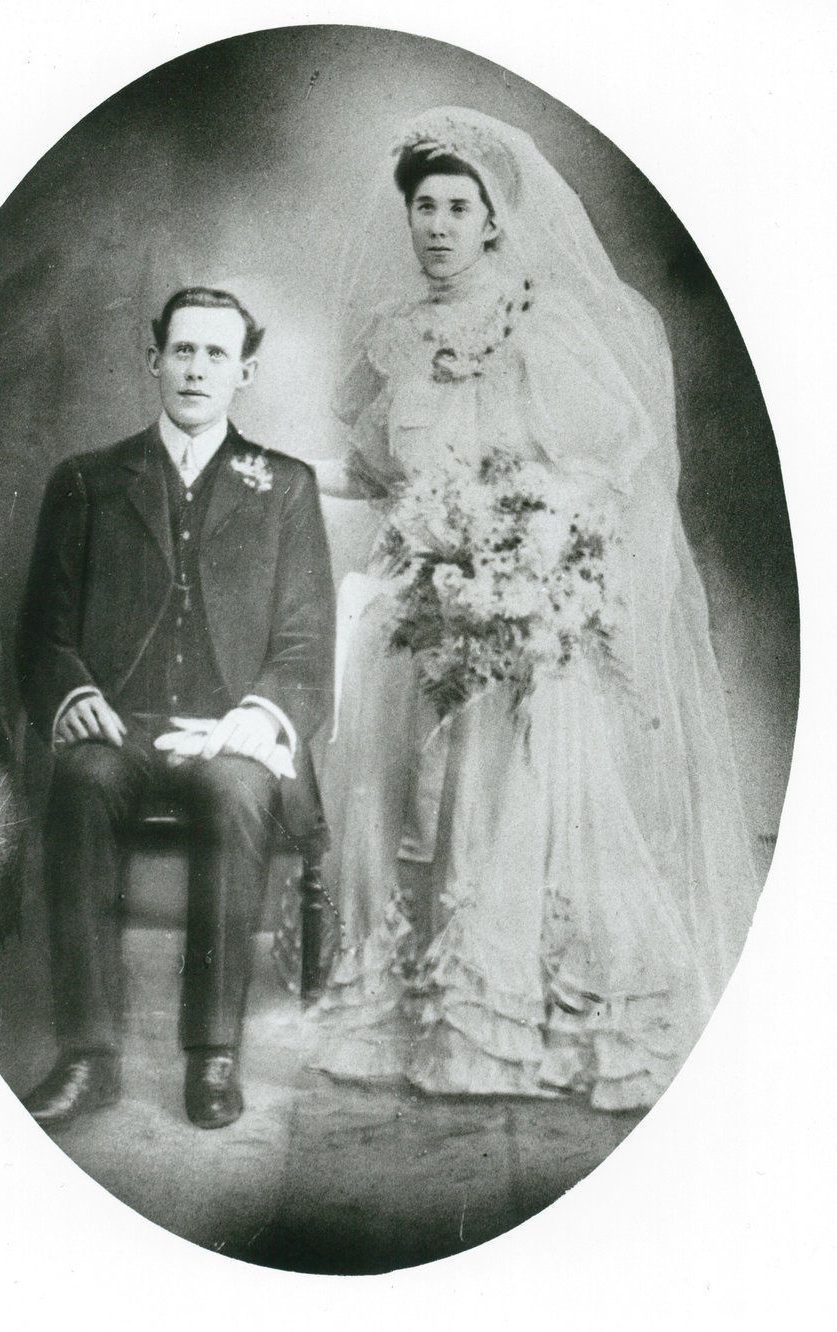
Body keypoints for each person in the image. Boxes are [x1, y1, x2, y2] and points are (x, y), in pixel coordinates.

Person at [308, 108, 760, 1110]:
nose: (436, 225)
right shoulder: (393, 339)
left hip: (520, 607)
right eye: (423, 205)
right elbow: (379, 471)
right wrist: (291, 479)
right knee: (380, 760)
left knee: (496, 789)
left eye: (458, 207)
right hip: (421, 602)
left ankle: (493, 1027)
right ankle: (390, 1009)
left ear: (494, 220)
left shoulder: (544, 326)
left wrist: (539, 551)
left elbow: (617, 461)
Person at [18, 286, 334, 1130]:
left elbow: (306, 647)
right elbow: (41, 633)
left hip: (230, 734)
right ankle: (89, 1054)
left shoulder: (287, 488)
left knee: (237, 791)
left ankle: (213, 1055)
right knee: (80, 783)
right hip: (123, 727)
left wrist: (259, 717)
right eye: (182, 350)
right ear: (153, 356)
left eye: (216, 355)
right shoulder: (85, 481)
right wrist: (75, 693)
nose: (196, 369)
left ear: (246, 373)